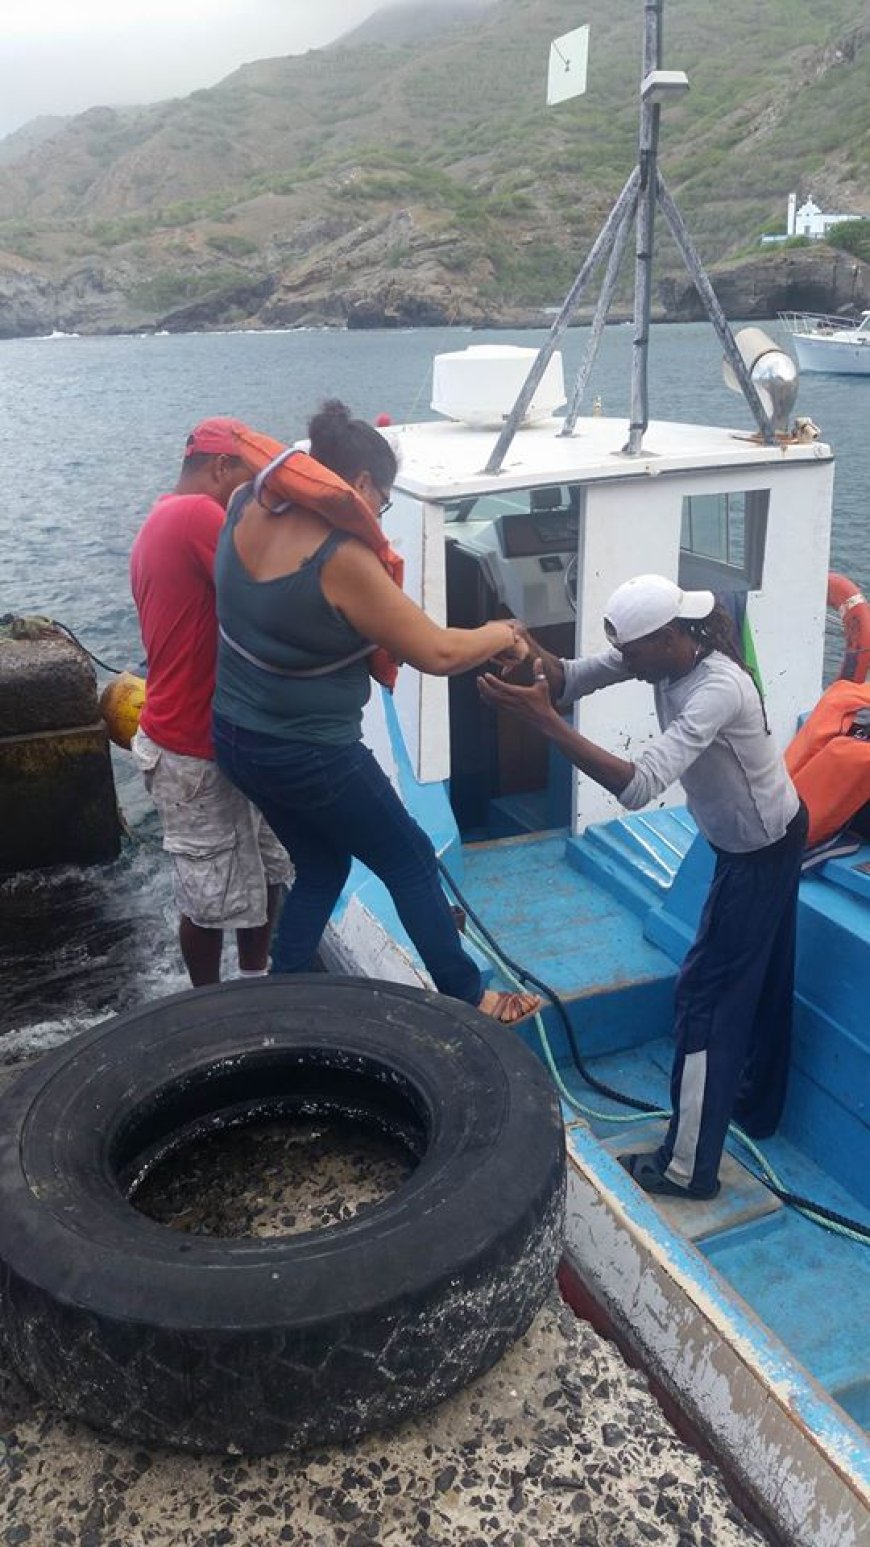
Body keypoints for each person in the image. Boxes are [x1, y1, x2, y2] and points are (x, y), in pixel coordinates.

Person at [479, 574, 808, 1199]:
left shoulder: (716, 689)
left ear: (668, 637)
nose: (624, 663)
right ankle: (754, 1106)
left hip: (760, 853)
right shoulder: (660, 653)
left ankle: (687, 1169)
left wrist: (546, 724)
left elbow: (639, 786)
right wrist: (531, 658)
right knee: (756, 983)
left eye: (632, 653)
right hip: (766, 836)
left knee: (704, 1002)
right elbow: (571, 675)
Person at [212, 399, 539, 1024]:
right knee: (409, 857)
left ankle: (280, 995)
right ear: (359, 485)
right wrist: (501, 632)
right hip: (309, 753)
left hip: (236, 736)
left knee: (323, 862)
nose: (379, 514)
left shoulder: (246, 505)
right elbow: (438, 651)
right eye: (383, 502)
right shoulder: (341, 559)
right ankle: (470, 995)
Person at [130, 418, 293, 987]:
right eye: (248, 480)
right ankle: (206, 1005)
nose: (254, 495)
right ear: (220, 466)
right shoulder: (196, 514)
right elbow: (266, 585)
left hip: (229, 735)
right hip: (192, 744)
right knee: (207, 898)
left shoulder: (160, 514)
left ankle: (254, 980)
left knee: (268, 867)